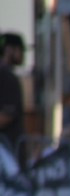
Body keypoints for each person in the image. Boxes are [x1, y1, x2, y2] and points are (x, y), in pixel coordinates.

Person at [0, 32, 26, 166]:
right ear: (9, 50)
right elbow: (7, 115)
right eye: (21, 49)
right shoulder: (7, 76)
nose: (23, 55)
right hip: (8, 155)